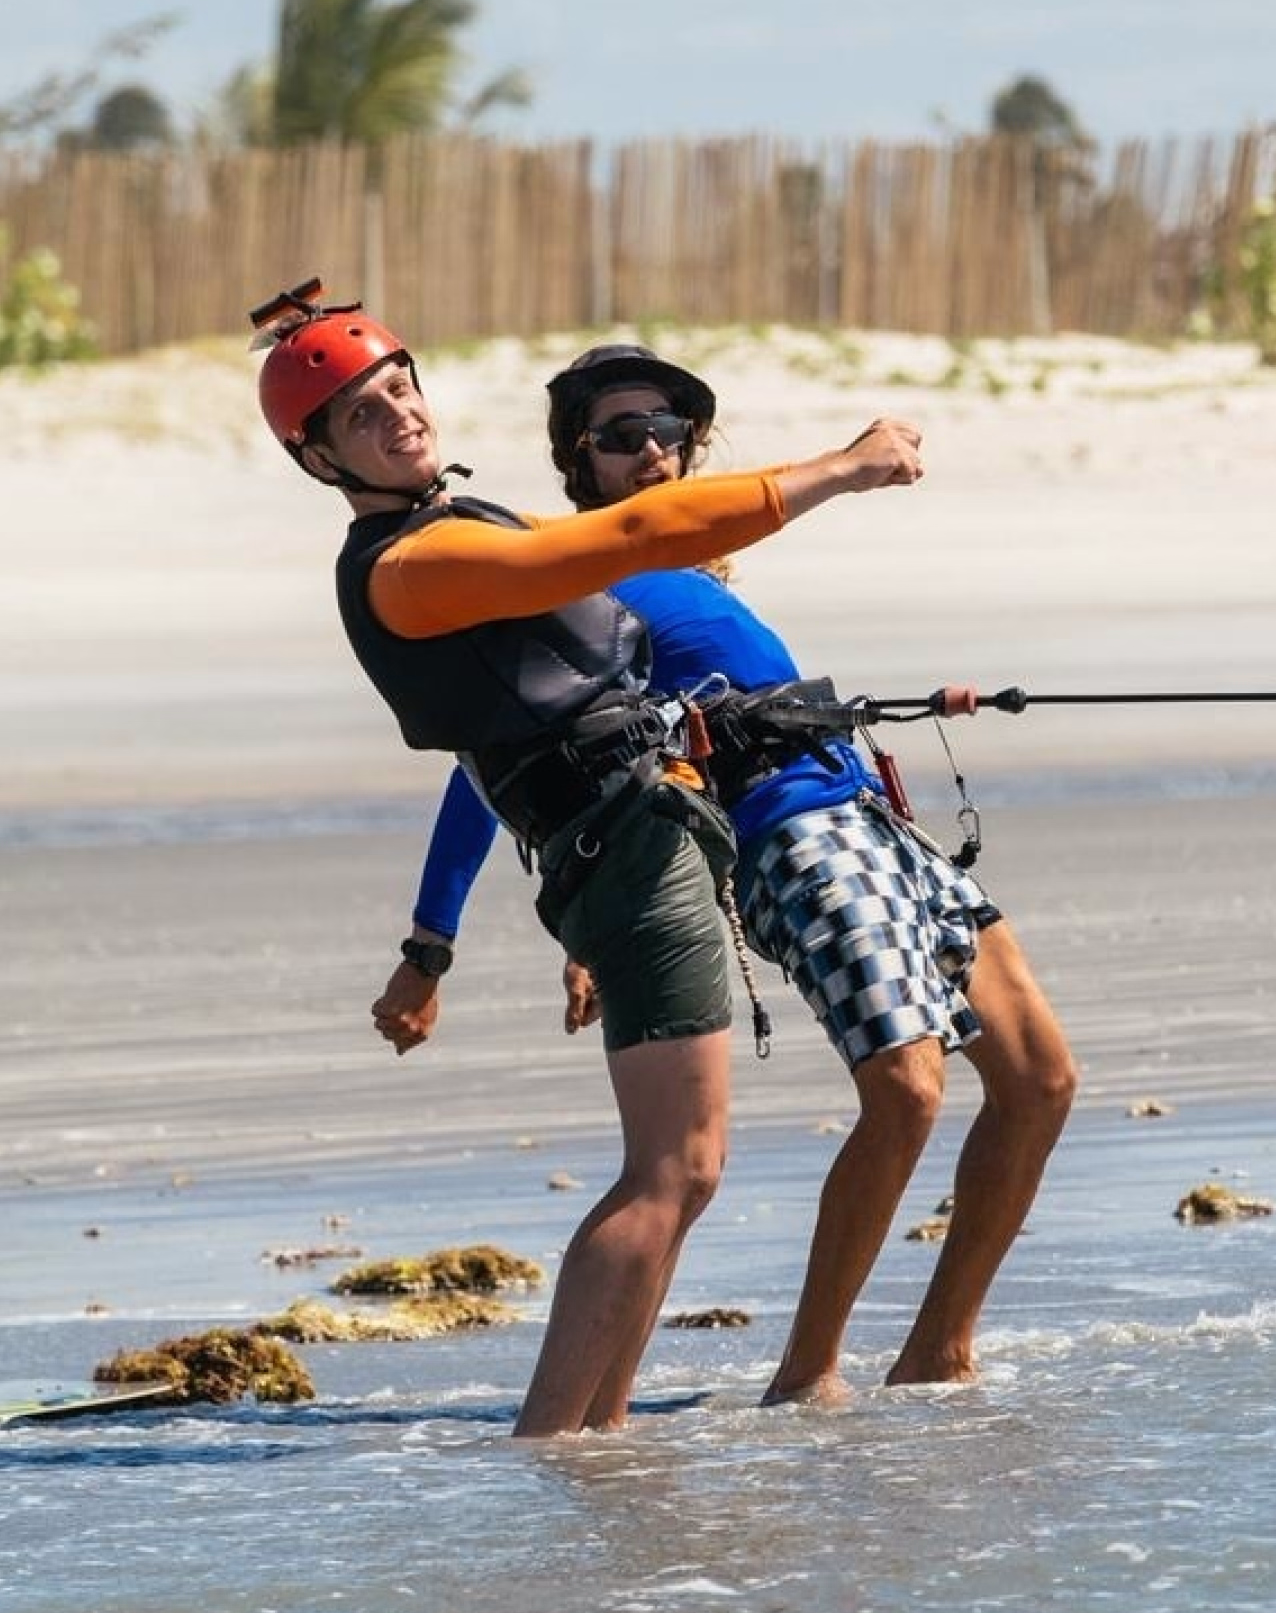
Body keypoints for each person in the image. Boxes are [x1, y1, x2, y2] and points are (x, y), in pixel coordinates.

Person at [251, 280, 924, 1437]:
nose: (401, 414)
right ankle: (555, 1440)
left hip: (639, 838)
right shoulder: (410, 567)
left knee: (687, 1168)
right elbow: (633, 533)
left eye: (401, 386)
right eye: (363, 414)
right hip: (627, 859)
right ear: (321, 458)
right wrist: (843, 467)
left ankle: (595, 1437)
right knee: (674, 1169)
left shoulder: (447, 526)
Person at [375, 340, 1078, 1405]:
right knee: (907, 1090)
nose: (653, 452)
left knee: (1039, 1081)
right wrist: (433, 946)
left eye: (670, 432)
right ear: (581, 459)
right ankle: (808, 1374)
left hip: (873, 818)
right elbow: (489, 772)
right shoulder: (581, 579)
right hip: (782, 841)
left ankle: (940, 1348)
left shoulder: (695, 577)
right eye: (623, 436)